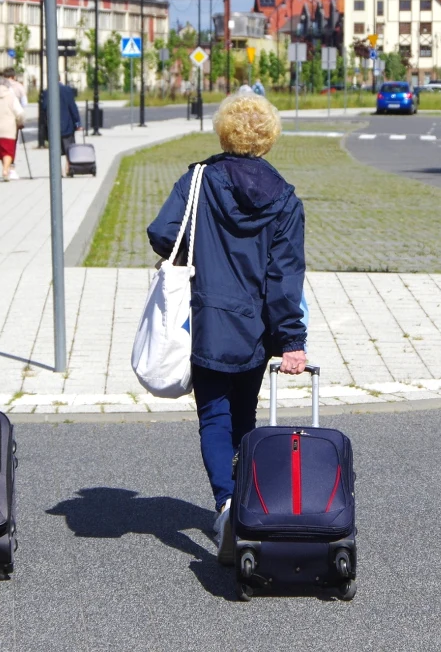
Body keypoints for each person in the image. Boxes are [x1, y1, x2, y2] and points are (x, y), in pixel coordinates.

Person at [146, 92, 307, 566]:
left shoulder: (199, 180)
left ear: (224, 131)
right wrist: (292, 341)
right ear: (270, 137)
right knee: (245, 419)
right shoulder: (285, 198)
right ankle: (247, 503)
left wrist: (194, 251)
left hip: (206, 320)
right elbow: (284, 279)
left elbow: (162, 231)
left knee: (213, 417)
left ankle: (227, 506)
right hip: (254, 329)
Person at [40, 81, 83, 175]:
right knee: (69, 148)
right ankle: (69, 167)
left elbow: (44, 108)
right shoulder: (67, 90)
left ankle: (57, 171)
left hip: (52, 126)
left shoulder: (47, 92)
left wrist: (45, 125)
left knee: (56, 150)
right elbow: (72, 107)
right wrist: (77, 123)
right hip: (67, 124)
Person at [3, 69, 28, 181]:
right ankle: (11, 168)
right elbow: (24, 103)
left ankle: (4, 167)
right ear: (13, 76)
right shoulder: (19, 87)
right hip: (14, 119)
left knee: (2, 143)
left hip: (1, 118)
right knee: (13, 143)